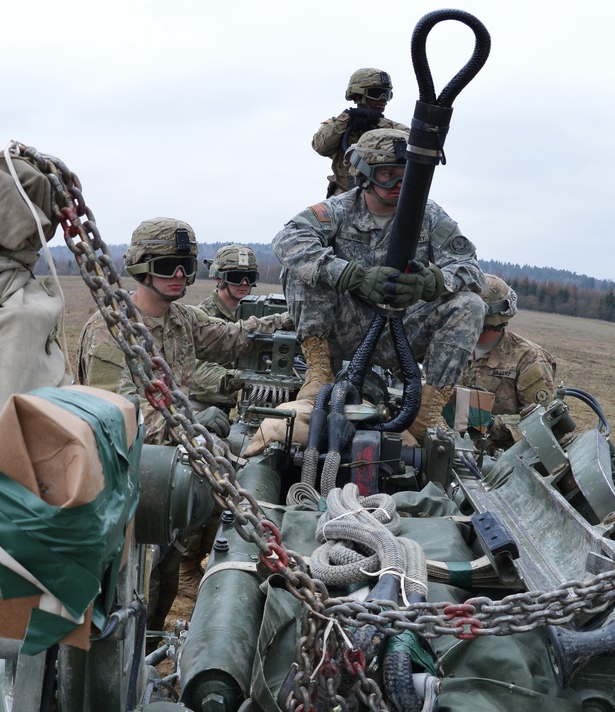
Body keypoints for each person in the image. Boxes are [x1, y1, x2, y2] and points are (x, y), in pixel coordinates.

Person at [76, 219, 285, 623]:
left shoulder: (182, 320)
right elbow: (112, 415)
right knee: (127, 592)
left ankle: (149, 656)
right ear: (141, 267)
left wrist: (289, 318)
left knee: (165, 577)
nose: (177, 275)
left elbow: (234, 338)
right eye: (167, 264)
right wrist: (187, 421)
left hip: (171, 481)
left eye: (184, 265)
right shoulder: (111, 329)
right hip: (124, 485)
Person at [274, 128, 485, 440]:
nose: (399, 184)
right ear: (366, 175)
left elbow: (470, 269)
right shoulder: (340, 210)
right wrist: (350, 275)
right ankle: (318, 371)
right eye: (388, 174)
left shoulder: (429, 215)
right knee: (302, 269)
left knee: (470, 305)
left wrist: (432, 282)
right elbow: (288, 240)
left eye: (406, 175)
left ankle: (426, 409)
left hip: (402, 333)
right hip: (346, 327)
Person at [456, 275, 558, 450]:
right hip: (445, 447)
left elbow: (544, 421)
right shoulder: (452, 347)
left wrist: (490, 424)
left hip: (496, 462)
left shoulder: (529, 359)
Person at [312, 68, 407, 197]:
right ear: (357, 95)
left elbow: (416, 144)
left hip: (384, 196)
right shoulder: (338, 125)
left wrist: (379, 122)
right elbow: (321, 147)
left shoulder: (394, 130)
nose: (383, 99)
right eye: (376, 93)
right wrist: (347, 118)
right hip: (344, 195)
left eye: (386, 94)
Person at [189, 244, 262, 408]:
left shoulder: (257, 313)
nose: (244, 283)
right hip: (205, 402)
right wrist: (240, 379)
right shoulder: (202, 317)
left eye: (249, 277)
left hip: (252, 401)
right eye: (236, 277)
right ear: (219, 278)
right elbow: (200, 371)